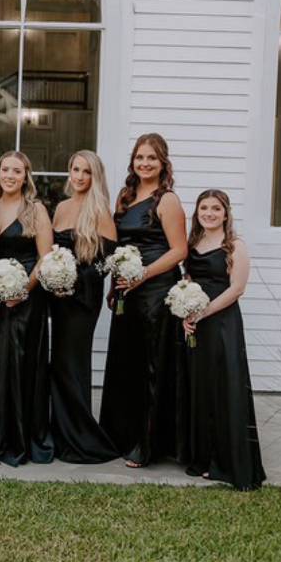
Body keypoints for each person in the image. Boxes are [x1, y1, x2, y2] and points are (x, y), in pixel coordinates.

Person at [99, 133, 188, 468]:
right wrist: (114, 286)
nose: (145, 163)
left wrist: (144, 274)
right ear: (133, 162)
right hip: (127, 293)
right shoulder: (126, 196)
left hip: (155, 291)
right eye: (140, 157)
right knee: (127, 364)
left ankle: (148, 444)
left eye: (152, 158)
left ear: (163, 162)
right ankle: (121, 435)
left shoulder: (167, 201)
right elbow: (117, 247)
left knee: (153, 366)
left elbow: (179, 250)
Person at [183, 190, 265, 491]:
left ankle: (227, 461)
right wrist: (186, 314)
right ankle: (202, 458)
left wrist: (203, 312)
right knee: (200, 389)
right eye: (204, 208)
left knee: (224, 387)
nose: (209, 213)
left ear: (226, 213)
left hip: (223, 323)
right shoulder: (193, 244)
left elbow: (237, 289)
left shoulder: (235, 246)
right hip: (197, 324)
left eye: (215, 208)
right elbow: (188, 281)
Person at [48, 151, 118, 463]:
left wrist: (72, 281)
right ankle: (61, 433)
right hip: (58, 299)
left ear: (95, 176)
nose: (79, 176)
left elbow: (106, 264)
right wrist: (55, 278)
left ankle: (81, 437)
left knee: (72, 364)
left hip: (83, 300)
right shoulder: (61, 208)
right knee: (58, 364)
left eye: (86, 172)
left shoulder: (101, 210)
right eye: (75, 169)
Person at [0, 150, 53, 466]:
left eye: (17, 171)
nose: (10, 176)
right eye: (5, 170)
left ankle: (24, 438)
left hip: (28, 298)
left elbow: (45, 257)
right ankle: (1, 436)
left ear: (26, 176)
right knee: (0, 366)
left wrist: (23, 289)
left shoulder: (35, 210)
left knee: (24, 366)